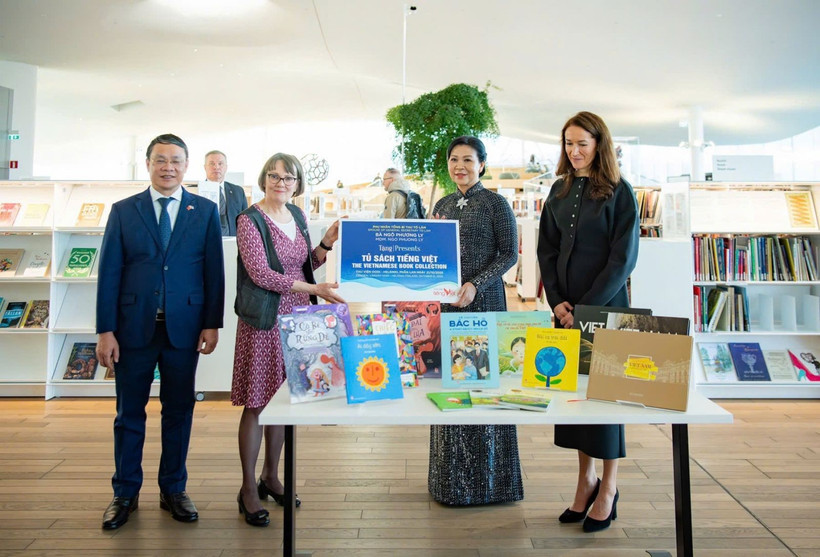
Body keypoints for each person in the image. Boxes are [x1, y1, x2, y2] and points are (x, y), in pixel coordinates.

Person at [96, 133, 225, 530]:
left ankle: (173, 488)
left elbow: (213, 272)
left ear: (187, 166)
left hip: (184, 330)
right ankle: (125, 493)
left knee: (179, 410)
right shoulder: (123, 210)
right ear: (148, 164)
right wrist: (105, 330)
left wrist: (211, 323)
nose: (168, 167)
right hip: (133, 329)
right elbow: (110, 273)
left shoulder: (203, 210)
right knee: (129, 413)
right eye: (160, 160)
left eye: (176, 161)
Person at [536, 111, 640, 533]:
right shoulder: (558, 191)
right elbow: (546, 250)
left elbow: (623, 259)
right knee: (576, 401)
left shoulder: (619, 192)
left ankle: (610, 488)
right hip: (565, 314)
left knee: (605, 401)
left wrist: (588, 308)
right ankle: (585, 482)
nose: (574, 151)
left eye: (582, 143)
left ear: (600, 144)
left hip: (609, 310)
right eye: (567, 143)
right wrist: (559, 302)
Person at [231, 152, 343, 526]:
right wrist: (315, 288)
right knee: (258, 402)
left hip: (298, 319)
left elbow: (302, 263)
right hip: (264, 320)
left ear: (298, 184)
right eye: (274, 176)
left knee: (285, 399)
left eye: (288, 178)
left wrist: (325, 244)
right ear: (264, 179)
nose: (281, 183)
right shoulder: (249, 220)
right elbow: (261, 274)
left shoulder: (296, 215)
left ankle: (271, 476)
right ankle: (248, 488)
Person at [428, 135, 523, 505]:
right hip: (448, 306)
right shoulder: (443, 203)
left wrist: (475, 283)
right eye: (454, 160)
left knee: (484, 386)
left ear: (482, 164)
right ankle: (450, 485)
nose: (460, 167)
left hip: (483, 305)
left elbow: (508, 255)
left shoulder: (495, 203)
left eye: (468, 160)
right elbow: (433, 253)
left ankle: (492, 484)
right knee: (451, 385)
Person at [203, 150, 248, 236]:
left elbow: (245, 221)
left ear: (226, 167)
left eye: (220, 164)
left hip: (233, 243)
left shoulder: (238, 191)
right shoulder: (197, 192)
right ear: (205, 167)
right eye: (212, 164)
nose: (216, 167)